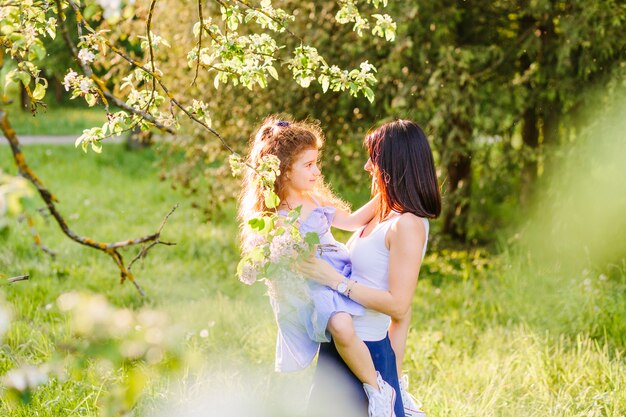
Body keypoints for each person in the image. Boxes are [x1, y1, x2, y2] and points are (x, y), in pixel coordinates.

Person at [238, 115, 397, 417]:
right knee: (340, 325)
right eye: (308, 165)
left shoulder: (314, 198)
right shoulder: (270, 215)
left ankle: (385, 388)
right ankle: (378, 389)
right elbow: (266, 258)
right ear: (284, 171)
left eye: (316, 163)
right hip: (312, 283)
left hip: (338, 270)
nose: (317, 171)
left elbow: (350, 222)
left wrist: (389, 193)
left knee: (360, 319)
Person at [300, 119, 441, 417]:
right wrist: (292, 183)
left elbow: (400, 307)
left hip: (367, 349)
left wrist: (337, 281)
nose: (366, 166)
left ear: (393, 164)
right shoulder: (384, 206)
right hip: (342, 343)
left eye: (373, 159)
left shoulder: (409, 225)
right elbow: (341, 219)